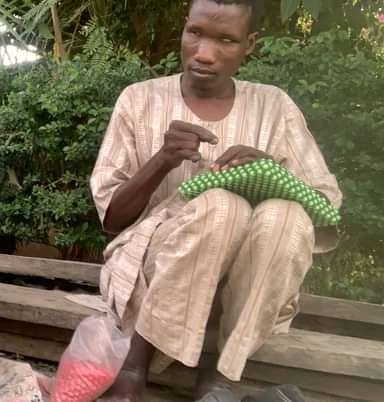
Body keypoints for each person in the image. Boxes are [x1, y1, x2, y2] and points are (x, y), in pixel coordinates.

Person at [90, 0, 342, 400]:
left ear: (250, 44)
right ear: (184, 30)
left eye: (226, 39)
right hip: (149, 267)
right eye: (196, 33)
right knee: (221, 206)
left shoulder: (274, 106)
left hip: (244, 279)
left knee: (288, 216)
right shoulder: (139, 100)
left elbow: (324, 204)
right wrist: (162, 159)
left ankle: (220, 375)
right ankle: (134, 368)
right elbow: (112, 220)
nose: (204, 54)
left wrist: (274, 171)